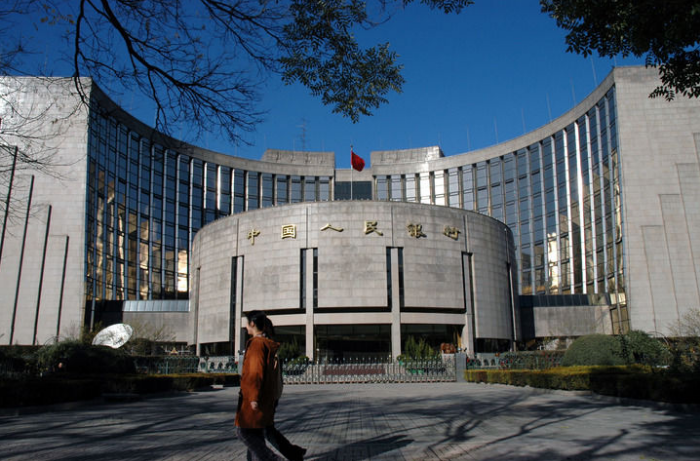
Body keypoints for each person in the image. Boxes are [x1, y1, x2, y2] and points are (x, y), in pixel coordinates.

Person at [235, 311, 305, 461]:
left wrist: (253, 398)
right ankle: (294, 454)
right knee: (258, 433)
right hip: (266, 396)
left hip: (256, 398)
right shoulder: (267, 345)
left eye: (247, 323)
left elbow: (255, 372)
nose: (246, 327)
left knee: (245, 432)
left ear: (252, 324)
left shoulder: (257, 345)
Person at [261, 317, 307, 461]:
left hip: (265, 397)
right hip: (270, 396)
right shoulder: (268, 345)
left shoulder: (265, 346)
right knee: (264, 431)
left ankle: (293, 454)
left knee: (260, 432)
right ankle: (294, 453)